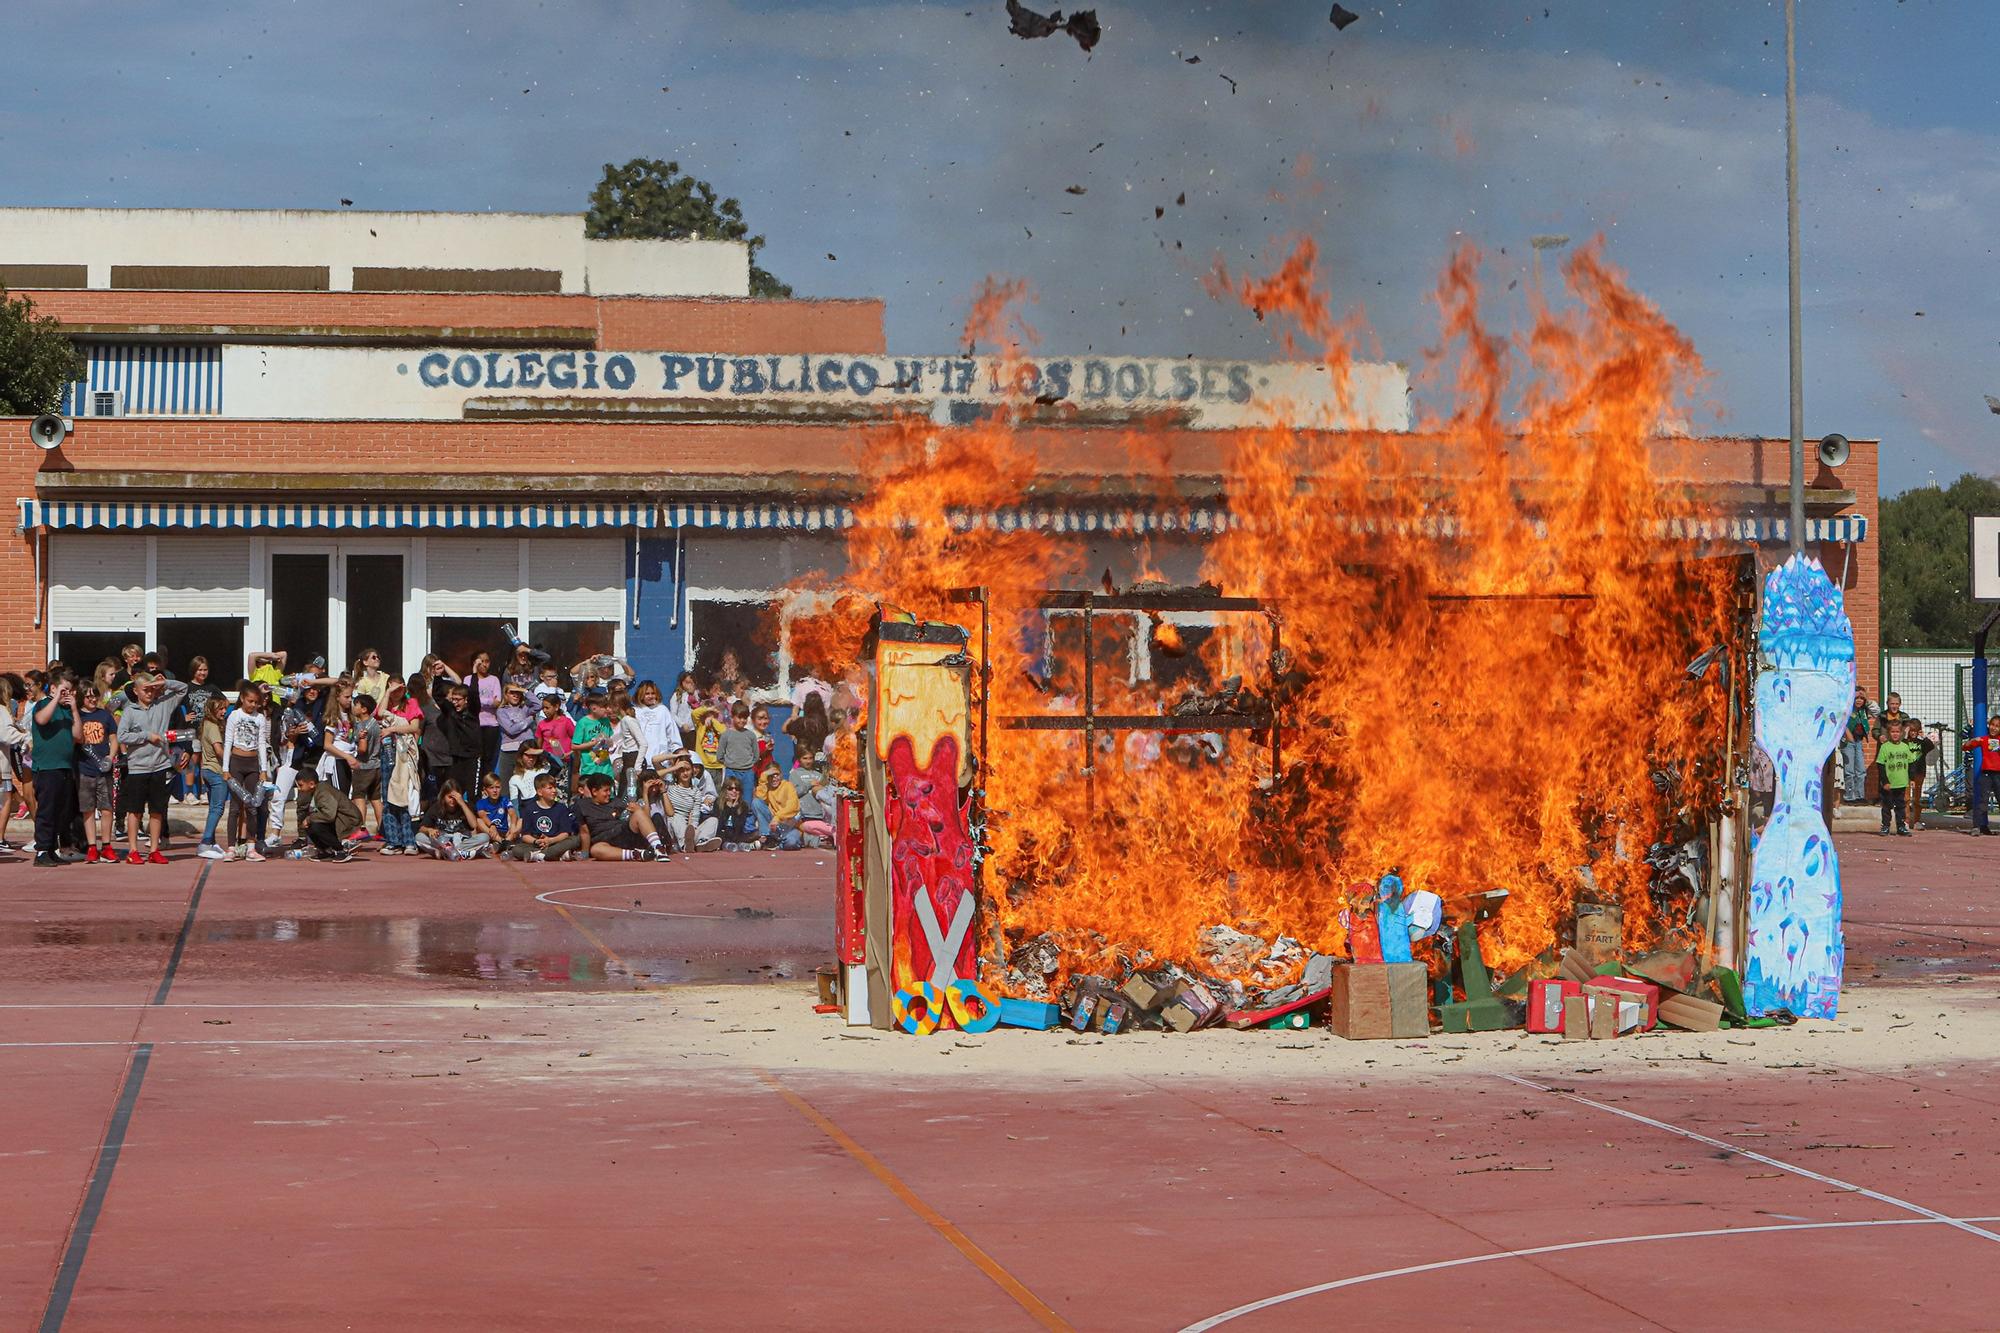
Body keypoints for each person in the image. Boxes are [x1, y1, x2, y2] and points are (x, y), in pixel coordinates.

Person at [115, 671, 188, 865]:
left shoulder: (163, 703)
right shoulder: (130, 711)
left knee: (157, 810)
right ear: (136, 691)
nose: (149, 692)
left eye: (151, 689)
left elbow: (183, 689)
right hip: (138, 767)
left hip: (160, 765)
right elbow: (122, 736)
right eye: (145, 689)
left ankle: (154, 849)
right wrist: (146, 736)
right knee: (135, 810)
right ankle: (133, 850)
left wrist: (162, 683)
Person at [30, 672, 86, 866]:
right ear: (53, 688)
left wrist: (75, 709)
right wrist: (55, 698)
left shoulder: (67, 711)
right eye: (63, 689)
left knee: (60, 812)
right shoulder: (44, 705)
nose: (66, 694)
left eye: (69, 691)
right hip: (46, 767)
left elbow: (79, 736)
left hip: (64, 766)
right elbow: (41, 720)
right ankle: (42, 851)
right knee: (46, 810)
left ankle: (52, 848)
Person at [223, 682, 272, 862]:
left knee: (253, 805)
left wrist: (263, 770)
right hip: (236, 761)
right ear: (243, 699)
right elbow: (228, 741)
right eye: (250, 701)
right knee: (235, 807)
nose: (253, 705)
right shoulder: (234, 715)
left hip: (253, 764)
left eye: (256, 702)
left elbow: (261, 743)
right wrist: (225, 769)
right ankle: (231, 847)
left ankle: (251, 846)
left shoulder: (260, 718)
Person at [573, 771, 666, 861]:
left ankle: (658, 848)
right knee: (595, 850)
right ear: (594, 791)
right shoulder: (582, 805)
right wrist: (585, 852)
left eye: (610, 790)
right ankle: (637, 854)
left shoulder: (615, 802)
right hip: (603, 841)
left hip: (622, 833)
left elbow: (643, 817)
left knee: (638, 813)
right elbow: (584, 831)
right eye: (605, 791)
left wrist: (636, 809)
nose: (609, 793)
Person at [75, 685, 119, 861]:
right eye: (88, 697)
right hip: (85, 769)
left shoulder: (105, 715)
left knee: (107, 808)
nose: (92, 700)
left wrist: (110, 757)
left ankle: (107, 845)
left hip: (103, 769)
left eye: (94, 696)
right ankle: (92, 846)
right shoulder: (78, 715)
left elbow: (114, 738)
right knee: (88, 809)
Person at [508, 771, 581, 860]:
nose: (554, 791)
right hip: (536, 845)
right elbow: (525, 835)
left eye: (554, 787)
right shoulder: (529, 809)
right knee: (517, 849)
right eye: (550, 788)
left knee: (575, 840)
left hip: (555, 842)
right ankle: (554, 855)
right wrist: (536, 841)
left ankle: (539, 855)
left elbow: (565, 834)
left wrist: (550, 840)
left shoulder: (561, 808)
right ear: (540, 792)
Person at [194, 695, 234, 859]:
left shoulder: (207, 724)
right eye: (220, 709)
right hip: (216, 771)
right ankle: (205, 843)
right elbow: (218, 750)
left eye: (225, 708)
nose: (224, 712)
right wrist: (234, 759)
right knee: (217, 809)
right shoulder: (213, 726)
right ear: (212, 710)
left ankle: (211, 842)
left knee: (213, 808)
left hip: (207, 770)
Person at [291, 771, 360, 862]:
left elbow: (329, 814)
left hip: (348, 821)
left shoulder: (323, 792)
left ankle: (341, 851)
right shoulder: (315, 791)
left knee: (315, 825)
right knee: (310, 825)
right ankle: (326, 851)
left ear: (311, 784)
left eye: (301, 785)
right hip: (337, 818)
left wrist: (309, 819)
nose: (299, 789)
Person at [416, 779, 490, 860]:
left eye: (455, 797)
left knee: (485, 837)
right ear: (443, 796)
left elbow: (474, 825)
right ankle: (456, 853)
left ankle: (448, 853)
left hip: (461, 841)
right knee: (419, 837)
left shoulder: (465, 806)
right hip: (442, 841)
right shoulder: (436, 808)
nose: (452, 800)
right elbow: (422, 828)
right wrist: (429, 830)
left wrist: (462, 803)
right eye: (450, 797)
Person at [661, 750, 718, 851]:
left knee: (713, 820)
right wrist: (675, 765)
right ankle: (684, 845)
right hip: (673, 826)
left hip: (689, 830)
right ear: (677, 772)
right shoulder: (669, 786)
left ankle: (701, 842)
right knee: (676, 817)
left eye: (687, 770)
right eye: (681, 770)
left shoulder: (696, 792)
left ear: (692, 771)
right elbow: (654, 764)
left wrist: (691, 827)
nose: (685, 773)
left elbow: (695, 815)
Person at [349, 694, 384, 838]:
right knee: (375, 799)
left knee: (359, 797)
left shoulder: (363, 726)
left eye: (356, 705)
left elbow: (363, 750)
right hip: (376, 765)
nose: (353, 707)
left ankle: (361, 828)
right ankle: (382, 829)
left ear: (364, 709)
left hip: (364, 766)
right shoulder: (375, 723)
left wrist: (360, 741)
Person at [1874, 719, 1917, 837]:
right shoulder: (1885, 747)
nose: (1895, 734)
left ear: (1901, 733)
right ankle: (1885, 826)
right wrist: (1885, 781)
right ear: (1888, 733)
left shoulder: (1904, 747)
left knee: (1901, 807)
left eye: (1897, 732)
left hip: (1901, 783)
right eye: (1892, 732)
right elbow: (1881, 765)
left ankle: (1901, 826)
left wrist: (1911, 779)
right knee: (1887, 807)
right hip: (1888, 784)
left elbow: (1911, 763)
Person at [1961, 715, 2000, 837]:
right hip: (1986, 773)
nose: (1994, 728)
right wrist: (1973, 741)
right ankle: (1978, 826)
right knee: (1982, 800)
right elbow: (1965, 747)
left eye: (1997, 726)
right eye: (1992, 725)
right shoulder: (1984, 739)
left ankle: (1982, 826)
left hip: (1998, 774)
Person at [468, 650, 502, 784]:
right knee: (476, 758)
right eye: (481, 661)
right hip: (474, 724)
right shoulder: (468, 679)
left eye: (487, 661)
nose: (484, 664)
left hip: (490, 725)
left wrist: (479, 701)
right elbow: (469, 701)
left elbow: (497, 702)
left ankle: (487, 785)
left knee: (488, 758)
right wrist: (488, 701)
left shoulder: (494, 680)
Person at [790, 748, 835, 848]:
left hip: (820, 814)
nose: (808, 761)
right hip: (804, 814)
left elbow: (826, 793)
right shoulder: (795, 774)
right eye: (805, 758)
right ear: (799, 760)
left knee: (816, 834)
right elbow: (794, 793)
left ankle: (824, 838)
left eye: (810, 758)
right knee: (806, 835)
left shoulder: (818, 775)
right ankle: (822, 839)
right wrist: (809, 785)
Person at [495, 682, 537, 788]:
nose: (515, 695)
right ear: (506, 695)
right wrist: (529, 719)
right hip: (509, 749)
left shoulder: (525, 708)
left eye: (517, 693)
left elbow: (539, 704)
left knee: (528, 780)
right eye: (512, 692)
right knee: (506, 783)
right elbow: (511, 730)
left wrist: (525, 691)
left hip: (526, 749)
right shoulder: (501, 711)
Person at [535, 692, 576, 794]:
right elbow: (538, 745)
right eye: (543, 708)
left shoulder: (566, 721)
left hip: (564, 762)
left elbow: (576, 741)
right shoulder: (542, 724)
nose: (544, 711)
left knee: (563, 791)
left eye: (547, 708)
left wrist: (569, 753)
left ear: (556, 707)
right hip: (548, 762)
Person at [755, 762, 802, 850]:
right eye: (771, 776)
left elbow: (793, 806)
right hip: (772, 827)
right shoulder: (766, 787)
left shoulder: (788, 785)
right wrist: (763, 779)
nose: (774, 778)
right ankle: (768, 837)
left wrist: (778, 818)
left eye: (776, 775)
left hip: (788, 825)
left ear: (781, 774)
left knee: (791, 843)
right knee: (756, 802)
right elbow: (759, 799)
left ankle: (778, 844)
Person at [719, 701, 759, 797]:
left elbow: (756, 755)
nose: (742, 720)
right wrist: (730, 763)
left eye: (744, 718)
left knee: (747, 799)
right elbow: (720, 755)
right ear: (732, 716)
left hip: (748, 772)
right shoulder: (726, 735)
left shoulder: (751, 735)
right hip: (731, 772)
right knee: (729, 798)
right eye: (739, 717)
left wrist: (748, 764)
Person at [1905, 716, 1937, 832]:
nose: (1913, 733)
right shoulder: (1905, 742)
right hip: (1907, 773)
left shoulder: (1921, 743)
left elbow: (1931, 746)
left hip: (1919, 772)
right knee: (1906, 798)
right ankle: (1906, 820)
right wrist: (1905, 734)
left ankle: (1917, 820)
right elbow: (1900, 742)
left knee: (1917, 798)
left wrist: (1923, 737)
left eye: (1915, 731)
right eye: (1911, 730)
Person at [1840, 689, 1872, 805]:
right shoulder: (1847, 709)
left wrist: (1866, 698)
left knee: (1861, 770)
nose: (1859, 701)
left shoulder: (1863, 711)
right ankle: (1849, 796)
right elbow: (1841, 721)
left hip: (1858, 741)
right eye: (1856, 698)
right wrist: (1847, 732)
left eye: (1861, 698)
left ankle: (1859, 795)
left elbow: (1876, 710)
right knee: (1849, 771)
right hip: (1848, 742)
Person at [713, 775, 762, 852]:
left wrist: (733, 809)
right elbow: (719, 825)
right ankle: (744, 845)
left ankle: (744, 845)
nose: (734, 791)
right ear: (725, 790)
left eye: (737, 789)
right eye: (730, 788)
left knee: (757, 833)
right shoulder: (718, 803)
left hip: (736, 835)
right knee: (720, 837)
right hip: (722, 834)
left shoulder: (743, 806)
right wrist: (728, 808)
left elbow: (738, 827)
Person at [783, 691, 832, 766]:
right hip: (822, 758)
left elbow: (784, 729)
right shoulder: (827, 722)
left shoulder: (801, 722)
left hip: (805, 759)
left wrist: (792, 717)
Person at [471, 772, 514, 851]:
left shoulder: (505, 800)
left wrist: (513, 825)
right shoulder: (481, 802)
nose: (495, 790)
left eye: (497, 787)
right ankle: (503, 842)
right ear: (485, 789)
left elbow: (512, 813)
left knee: (520, 821)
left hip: (504, 832)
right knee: (478, 821)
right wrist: (492, 825)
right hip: (490, 831)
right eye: (491, 788)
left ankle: (506, 841)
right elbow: (482, 816)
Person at [670, 671, 700, 748]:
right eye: (688, 682)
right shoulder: (677, 695)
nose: (690, 685)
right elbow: (672, 714)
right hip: (682, 731)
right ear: (682, 683)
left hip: (694, 730)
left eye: (692, 683)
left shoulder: (696, 694)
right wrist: (682, 724)